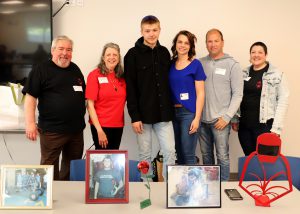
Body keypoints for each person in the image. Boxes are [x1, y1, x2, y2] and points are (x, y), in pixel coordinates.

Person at [23, 35, 86, 180]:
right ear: (53, 50)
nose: (65, 53)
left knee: (72, 168)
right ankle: (49, 200)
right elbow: (30, 98)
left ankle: (66, 198)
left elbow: (82, 94)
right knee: (48, 170)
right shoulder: (41, 70)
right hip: (52, 131)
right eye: (61, 49)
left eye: (69, 50)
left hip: (76, 131)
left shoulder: (75, 69)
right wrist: (30, 123)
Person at [124, 15, 176, 179]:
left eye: (154, 30)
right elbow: (130, 88)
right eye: (148, 31)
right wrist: (134, 116)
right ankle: (146, 190)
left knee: (170, 151)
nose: (151, 34)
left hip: (164, 114)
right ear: (141, 31)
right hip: (142, 117)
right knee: (145, 155)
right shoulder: (131, 55)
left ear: (160, 30)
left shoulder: (164, 52)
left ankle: (170, 190)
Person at [198, 29, 243, 181]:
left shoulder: (232, 65)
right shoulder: (200, 63)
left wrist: (227, 117)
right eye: (209, 41)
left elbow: (238, 94)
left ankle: (224, 187)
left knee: (222, 156)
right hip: (202, 120)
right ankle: (210, 188)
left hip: (221, 120)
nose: (213, 44)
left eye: (216, 41)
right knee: (206, 155)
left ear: (222, 42)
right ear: (206, 44)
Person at [232, 42, 289, 155]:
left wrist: (276, 128)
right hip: (245, 127)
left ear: (266, 55)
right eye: (253, 52)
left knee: (266, 161)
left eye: (260, 52)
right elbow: (236, 96)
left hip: (265, 127)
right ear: (250, 55)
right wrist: (235, 119)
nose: (256, 55)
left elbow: (283, 101)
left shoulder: (277, 74)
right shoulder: (243, 73)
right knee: (250, 159)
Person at [169, 30, 206, 164]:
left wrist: (197, 118)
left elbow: (201, 93)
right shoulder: (170, 64)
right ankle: (180, 184)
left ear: (190, 46)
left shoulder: (196, 65)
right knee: (178, 153)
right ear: (175, 44)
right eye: (180, 42)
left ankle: (192, 184)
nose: (182, 45)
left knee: (188, 153)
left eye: (186, 43)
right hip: (172, 114)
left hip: (189, 114)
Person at [86, 43, 126, 150]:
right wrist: (99, 130)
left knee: (114, 160)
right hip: (101, 126)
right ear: (103, 58)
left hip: (118, 125)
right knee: (102, 161)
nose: (112, 57)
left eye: (115, 55)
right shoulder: (95, 75)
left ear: (118, 58)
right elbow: (90, 105)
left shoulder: (122, 77)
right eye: (108, 55)